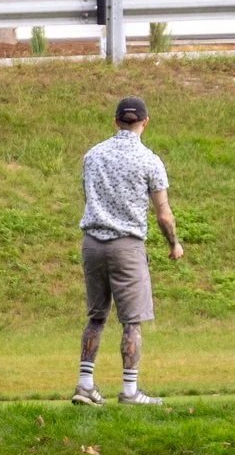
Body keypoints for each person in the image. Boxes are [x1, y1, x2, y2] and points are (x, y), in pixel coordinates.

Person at [73, 95, 183, 405]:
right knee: (131, 321)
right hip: (127, 245)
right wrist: (173, 244)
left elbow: (89, 194)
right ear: (145, 122)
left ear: (116, 121)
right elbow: (163, 213)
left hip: (92, 244)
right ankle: (130, 391)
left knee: (96, 318)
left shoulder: (92, 155)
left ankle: (85, 385)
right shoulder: (149, 160)